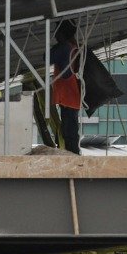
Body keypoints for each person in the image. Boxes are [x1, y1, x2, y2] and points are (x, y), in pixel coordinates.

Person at [49, 20, 83, 154]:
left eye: (56, 31)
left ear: (61, 33)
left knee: (69, 133)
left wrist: (55, 45)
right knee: (71, 132)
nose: (54, 35)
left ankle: (73, 158)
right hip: (72, 96)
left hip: (68, 96)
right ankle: (73, 155)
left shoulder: (64, 48)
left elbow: (47, 57)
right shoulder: (73, 47)